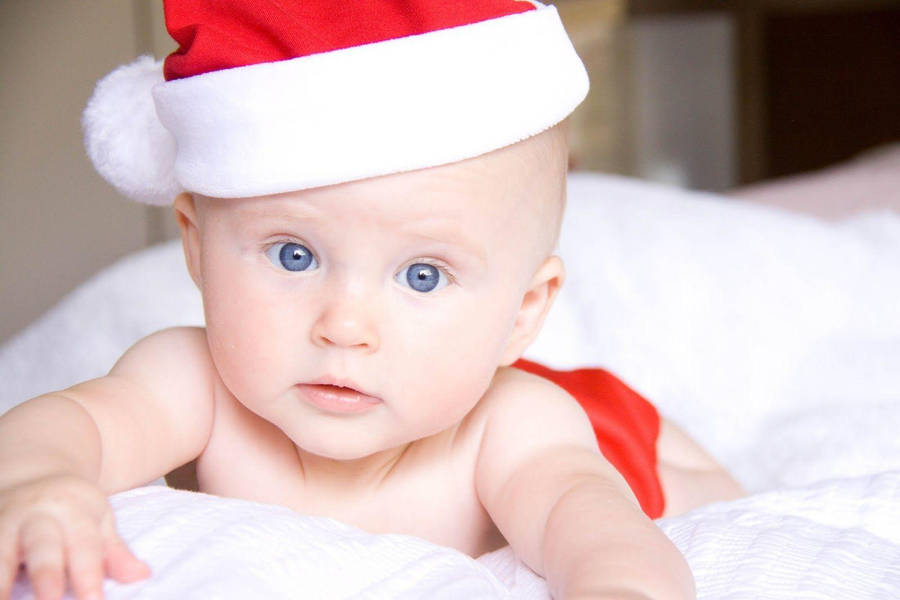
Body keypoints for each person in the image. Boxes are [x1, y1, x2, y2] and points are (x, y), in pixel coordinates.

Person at [0, 2, 743, 599]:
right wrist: (36, 480)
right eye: (294, 255)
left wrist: (616, 583)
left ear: (524, 310)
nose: (345, 327)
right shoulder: (189, 380)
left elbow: (593, 525)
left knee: (693, 483)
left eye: (422, 275)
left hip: (605, 430)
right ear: (196, 245)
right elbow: (74, 424)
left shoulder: (515, 425)